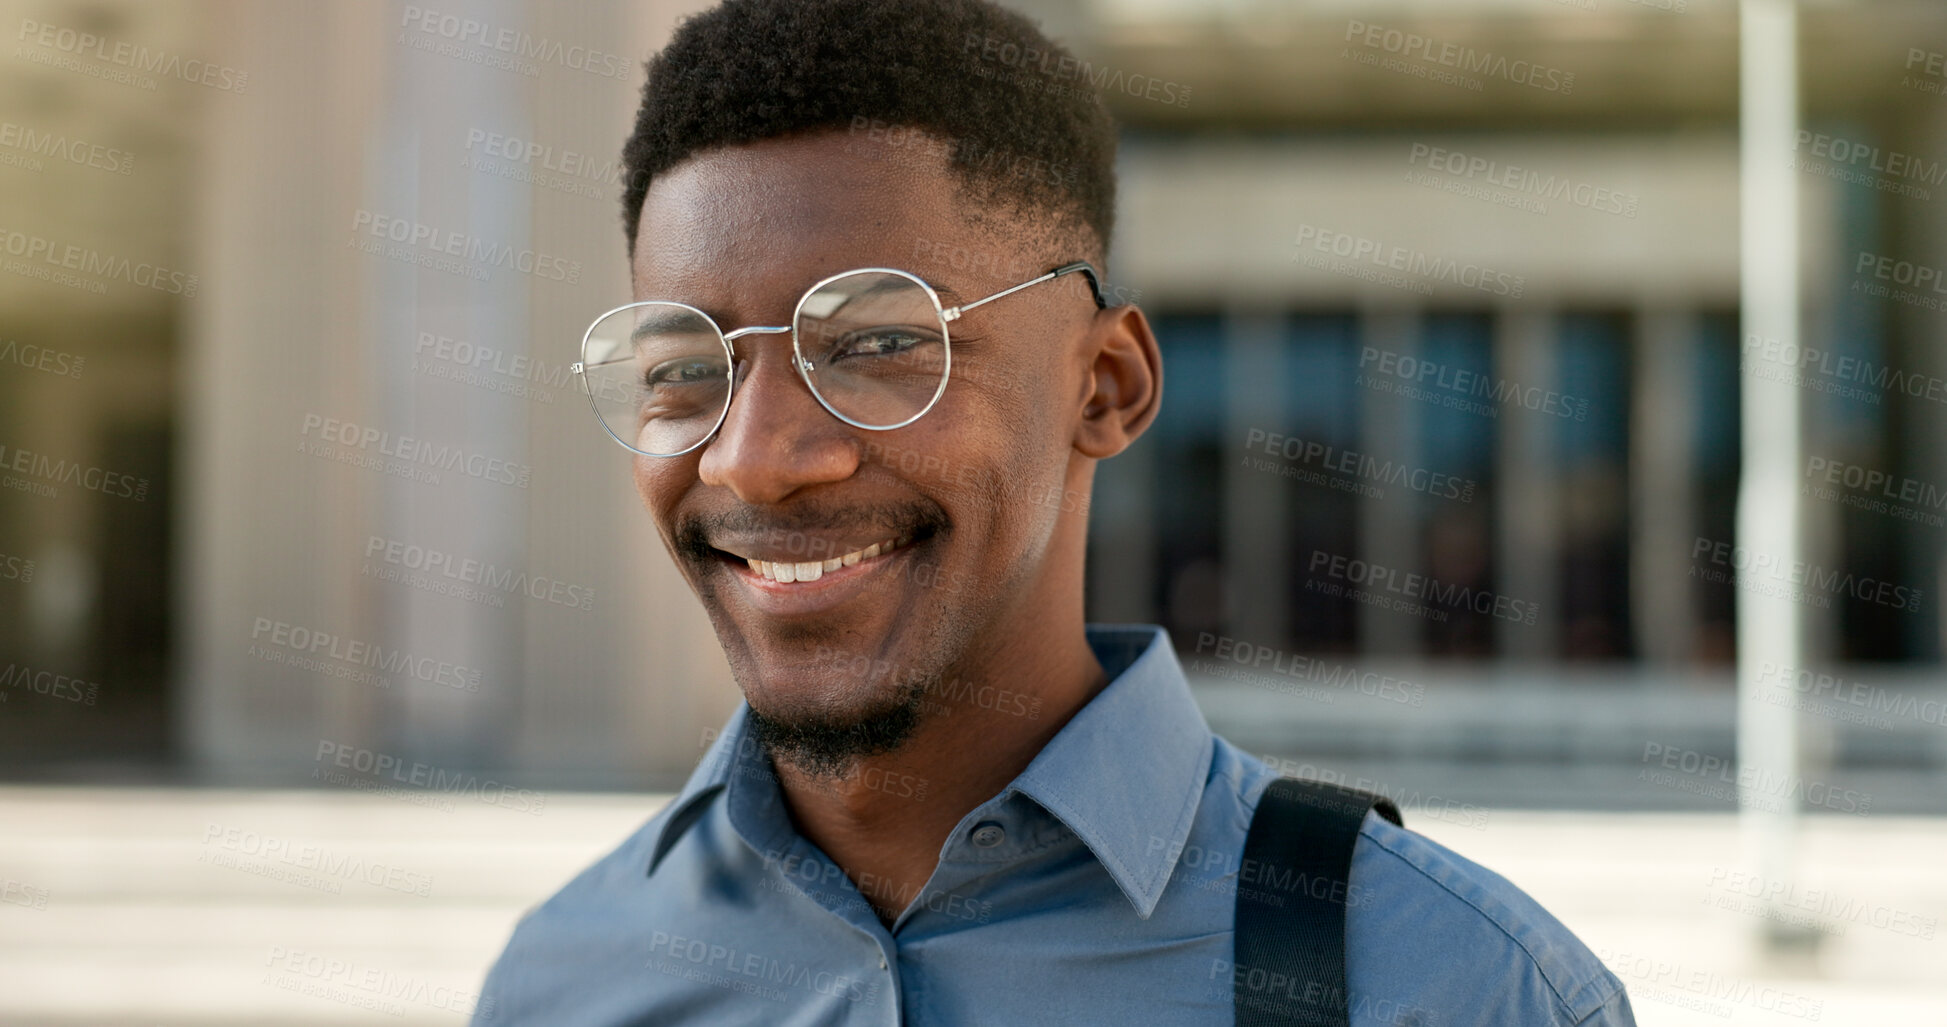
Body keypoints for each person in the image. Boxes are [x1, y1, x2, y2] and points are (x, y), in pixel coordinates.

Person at [474, 0, 1636, 1023]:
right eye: (684, 366)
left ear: (1105, 386)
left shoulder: (1455, 987)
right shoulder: (561, 984)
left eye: (881, 343)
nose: (758, 459)